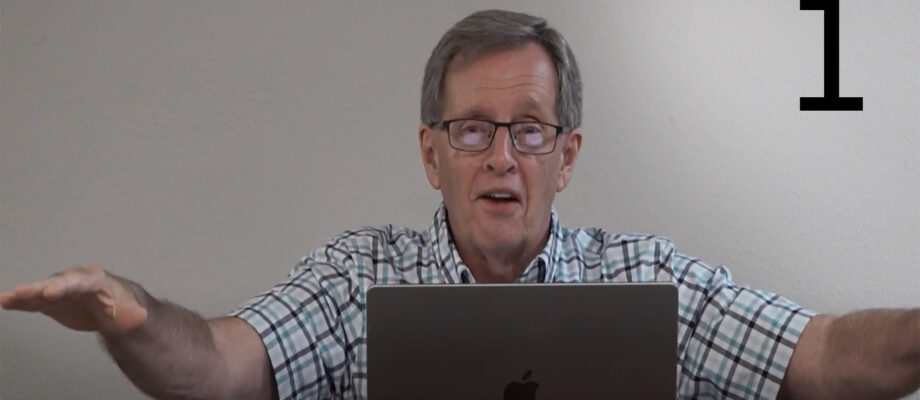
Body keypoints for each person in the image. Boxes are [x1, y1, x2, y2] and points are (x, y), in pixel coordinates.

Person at [1, 9, 917, 400]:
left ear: (567, 156)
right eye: (473, 130)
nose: (502, 158)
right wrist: (130, 316)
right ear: (431, 153)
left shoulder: (646, 279)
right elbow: (218, 369)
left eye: (530, 130)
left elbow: (824, 357)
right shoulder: (356, 278)